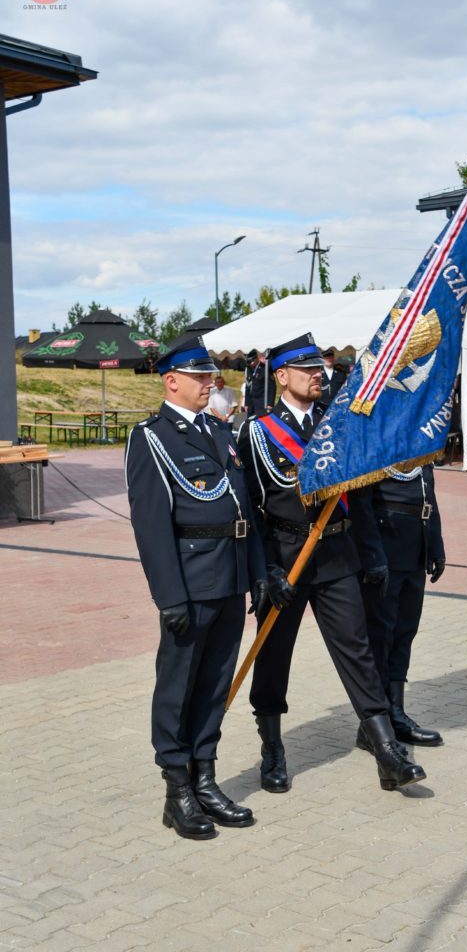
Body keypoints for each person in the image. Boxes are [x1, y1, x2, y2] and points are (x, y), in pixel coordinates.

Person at [237, 333, 426, 794]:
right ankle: (272, 747)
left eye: (318, 368)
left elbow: (359, 498)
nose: (318, 375)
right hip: (286, 557)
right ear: (283, 377)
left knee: (357, 649)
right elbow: (250, 509)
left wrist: (373, 555)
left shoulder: (337, 424)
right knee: (273, 654)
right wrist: (265, 570)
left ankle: (385, 748)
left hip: (338, 552)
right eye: (307, 370)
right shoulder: (257, 432)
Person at [125, 337, 268, 840]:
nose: (211, 383)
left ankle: (205, 777)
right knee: (178, 686)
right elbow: (151, 526)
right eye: (200, 376)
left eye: (210, 375)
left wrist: (258, 574)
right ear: (171, 381)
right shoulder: (152, 438)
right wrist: (169, 597)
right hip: (190, 583)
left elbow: (244, 511)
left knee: (214, 684)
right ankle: (177, 789)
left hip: (229, 578)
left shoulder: (220, 431)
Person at [349, 465, 446, 748]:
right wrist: (371, 554)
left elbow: (428, 493)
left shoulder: (417, 445)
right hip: (385, 546)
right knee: (381, 637)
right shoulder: (376, 446)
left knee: (404, 633)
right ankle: (374, 724)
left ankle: (396, 713)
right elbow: (361, 504)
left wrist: (435, 545)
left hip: (415, 545)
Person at [244, 349, 275, 416]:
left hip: (262, 402)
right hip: (251, 404)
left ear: (256, 358)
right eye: (248, 362)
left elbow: (272, 387)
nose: (250, 364)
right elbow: (247, 387)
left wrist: (270, 403)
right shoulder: (248, 369)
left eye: (251, 361)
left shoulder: (265, 368)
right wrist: (246, 403)